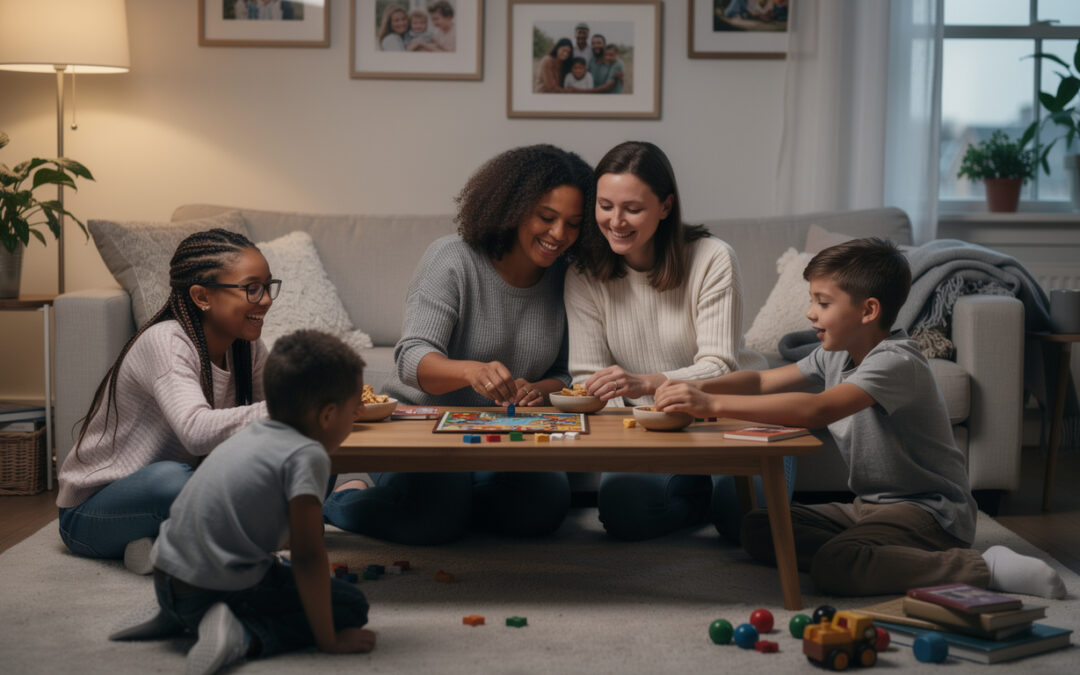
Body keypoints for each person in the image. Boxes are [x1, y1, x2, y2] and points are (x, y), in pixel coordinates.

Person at [653, 238, 1068, 599]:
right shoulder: (833, 353)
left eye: (823, 302)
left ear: (868, 310)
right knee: (760, 529)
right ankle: (885, 557)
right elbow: (762, 382)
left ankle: (981, 568)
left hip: (931, 513)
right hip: (869, 507)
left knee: (838, 566)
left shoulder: (896, 362)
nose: (811, 314)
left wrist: (711, 407)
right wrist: (682, 384)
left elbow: (819, 408)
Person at [323, 144, 594, 545]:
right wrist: (471, 370)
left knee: (544, 506)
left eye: (573, 224)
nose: (559, 235)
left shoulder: (567, 277)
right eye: (547, 217)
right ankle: (345, 499)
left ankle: (448, 504)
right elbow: (412, 359)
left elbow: (563, 374)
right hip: (423, 425)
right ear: (515, 206)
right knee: (434, 518)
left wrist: (536, 390)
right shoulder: (452, 258)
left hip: (503, 435)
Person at [565, 141, 769, 542]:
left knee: (746, 523)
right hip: (648, 426)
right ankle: (695, 492)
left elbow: (719, 365)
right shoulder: (584, 273)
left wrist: (645, 382)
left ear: (666, 206)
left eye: (633, 208)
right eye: (605, 206)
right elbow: (588, 376)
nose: (616, 221)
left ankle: (713, 494)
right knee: (625, 512)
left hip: (731, 411)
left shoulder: (713, 257)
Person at [150, 330, 375, 674]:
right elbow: (307, 555)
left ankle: (175, 616)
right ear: (327, 415)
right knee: (350, 607)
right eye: (354, 406)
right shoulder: (307, 454)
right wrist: (328, 641)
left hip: (166, 578)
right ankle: (243, 634)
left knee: (273, 573)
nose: (358, 412)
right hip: (205, 591)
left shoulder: (251, 431)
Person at [56, 229, 277, 572]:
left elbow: (276, 430)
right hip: (93, 511)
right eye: (252, 288)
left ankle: (165, 546)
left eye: (268, 286)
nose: (265, 300)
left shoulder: (246, 347)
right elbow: (196, 431)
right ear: (202, 296)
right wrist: (292, 408)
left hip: (185, 493)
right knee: (169, 479)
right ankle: (197, 542)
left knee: (309, 453)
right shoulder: (167, 342)